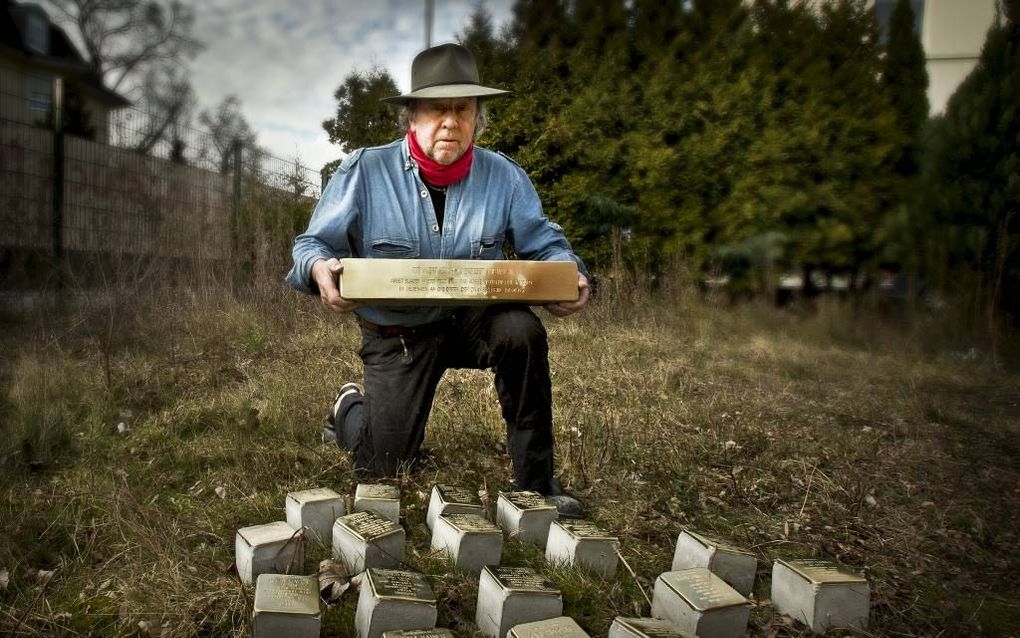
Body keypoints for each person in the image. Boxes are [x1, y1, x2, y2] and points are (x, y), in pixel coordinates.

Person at [286, 43, 589, 516]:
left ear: (477, 118)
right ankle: (349, 410)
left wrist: (570, 275)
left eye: (462, 109)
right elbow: (312, 246)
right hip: (398, 333)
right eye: (436, 109)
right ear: (412, 117)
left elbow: (544, 245)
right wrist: (320, 269)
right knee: (384, 470)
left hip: (473, 321)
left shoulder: (505, 178)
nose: (450, 122)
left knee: (521, 331)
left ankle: (537, 485)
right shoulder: (365, 170)